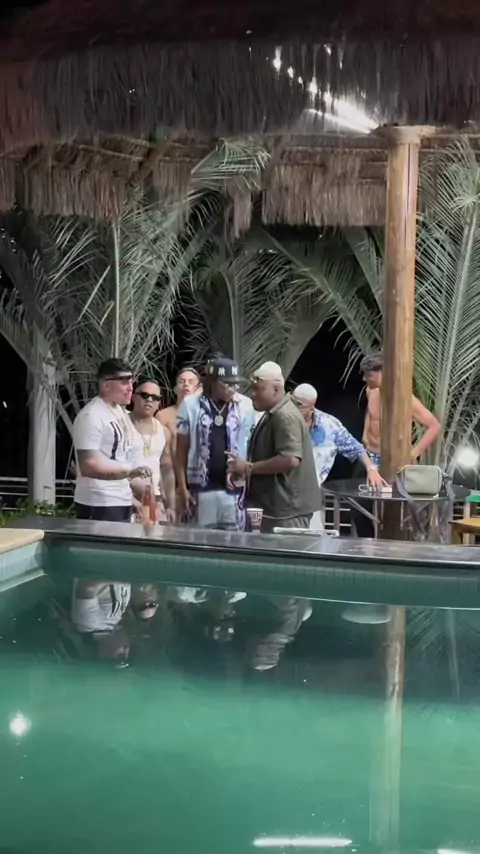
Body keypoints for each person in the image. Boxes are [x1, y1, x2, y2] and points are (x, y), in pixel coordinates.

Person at [228, 362, 321, 532]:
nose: (252, 394)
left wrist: (249, 468)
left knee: (284, 550)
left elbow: (290, 459)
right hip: (280, 510)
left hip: (287, 513)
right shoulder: (276, 412)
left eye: (258, 389)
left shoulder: (285, 416)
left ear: (276, 390)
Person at [292, 383, 387, 529]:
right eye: (293, 403)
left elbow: (356, 448)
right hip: (282, 494)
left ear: (311, 408)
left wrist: (371, 468)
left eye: (300, 406)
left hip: (311, 495)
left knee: (313, 537)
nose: (294, 409)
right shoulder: (282, 420)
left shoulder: (329, 426)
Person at [176, 357, 254, 530]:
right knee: (200, 541)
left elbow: (249, 446)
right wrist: (182, 488)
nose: (233, 388)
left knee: (234, 542)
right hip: (200, 491)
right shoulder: (190, 405)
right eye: (227, 384)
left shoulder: (245, 405)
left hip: (234, 492)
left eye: (236, 384)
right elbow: (181, 450)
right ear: (212, 382)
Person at [72, 359, 151, 521]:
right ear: (106, 385)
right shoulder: (91, 416)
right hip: (98, 503)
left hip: (121, 500)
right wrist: (130, 472)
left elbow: (119, 459)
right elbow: (88, 466)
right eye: (124, 382)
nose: (130, 388)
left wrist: (132, 499)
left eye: (131, 381)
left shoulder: (119, 411)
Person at [360, 352, 441, 466]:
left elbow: (434, 426)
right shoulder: (371, 391)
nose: (364, 378)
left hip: (394, 458)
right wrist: (365, 432)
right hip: (371, 452)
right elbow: (370, 411)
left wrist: (413, 454)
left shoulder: (405, 400)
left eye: (369, 375)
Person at [129, 377, 176, 523]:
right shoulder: (121, 424)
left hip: (154, 500)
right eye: (144, 395)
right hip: (125, 498)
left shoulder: (164, 432)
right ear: (133, 397)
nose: (149, 400)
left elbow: (167, 470)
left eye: (155, 398)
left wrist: (171, 506)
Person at [157, 367, 201, 453]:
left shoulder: (205, 416)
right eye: (181, 381)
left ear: (199, 389)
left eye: (191, 382)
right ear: (175, 389)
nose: (186, 384)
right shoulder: (163, 416)